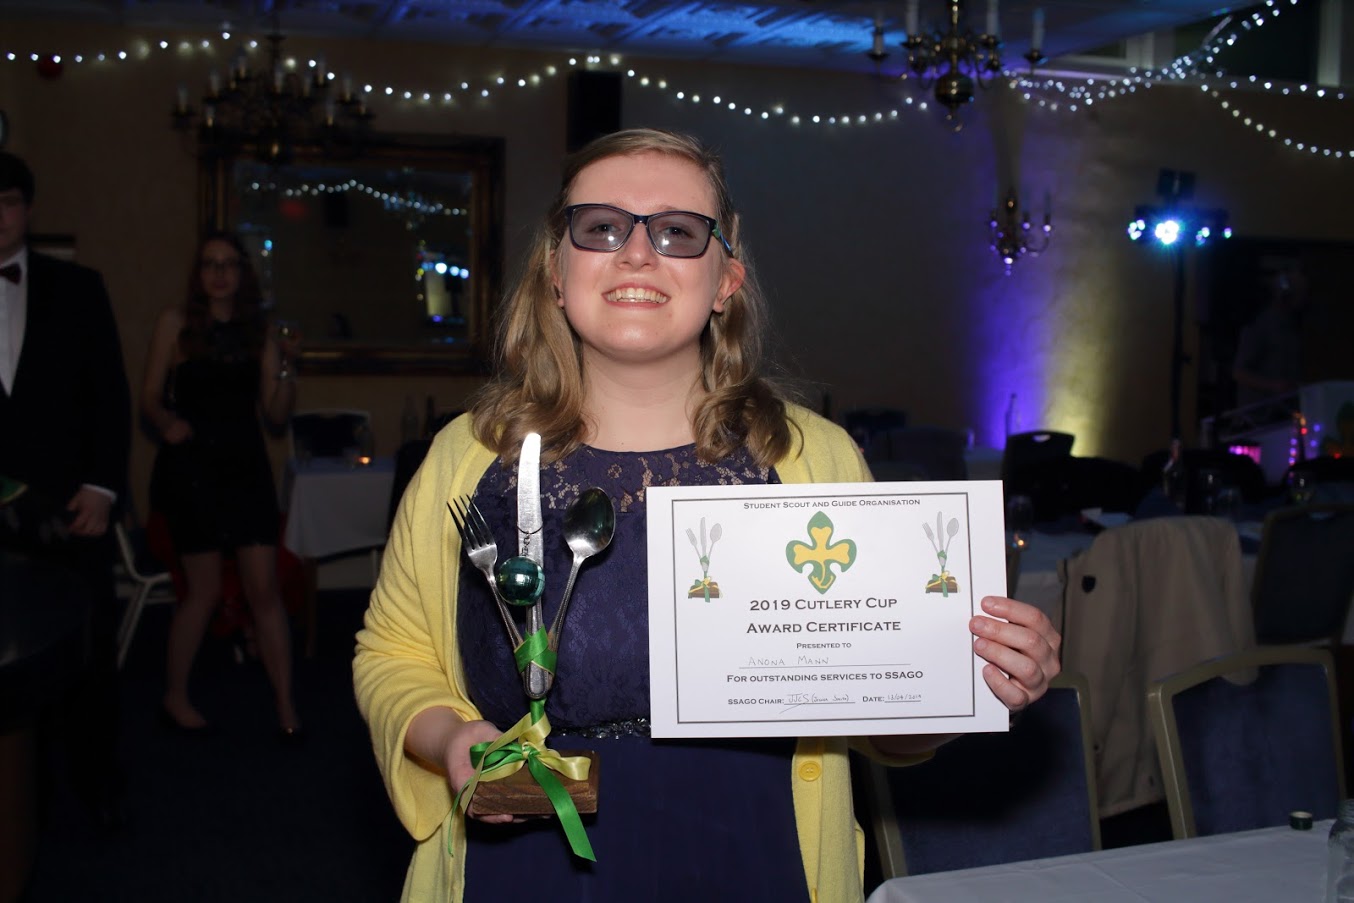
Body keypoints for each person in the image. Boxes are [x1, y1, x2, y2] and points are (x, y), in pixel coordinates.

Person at [353, 129, 1061, 903]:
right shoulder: (469, 458)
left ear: (727, 279)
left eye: (677, 232)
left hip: (755, 850)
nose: (636, 253)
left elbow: (877, 712)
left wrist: (968, 683)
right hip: (524, 854)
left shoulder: (812, 459)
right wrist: (450, 738)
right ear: (556, 270)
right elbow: (393, 653)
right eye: (601, 227)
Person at [0, 150, 132, 828]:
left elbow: (110, 395)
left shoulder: (78, 287)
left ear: (27, 209)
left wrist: (103, 489)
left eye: (7, 202)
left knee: (85, 652)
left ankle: (94, 787)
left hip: (69, 510)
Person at [140, 232, 302, 736]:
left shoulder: (260, 331)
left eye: (229, 264)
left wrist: (287, 365)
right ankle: (174, 695)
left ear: (242, 273)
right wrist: (166, 422)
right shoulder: (175, 323)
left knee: (264, 589)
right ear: (199, 272)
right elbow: (149, 398)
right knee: (203, 591)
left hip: (245, 468)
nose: (219, 273)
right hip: (193, 470)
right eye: (210, 264)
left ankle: (286, 706)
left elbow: (276, 415)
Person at [1231, 255, 1308, 411]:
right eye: (1301, 293)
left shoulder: (1292, 327)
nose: (1305, 299)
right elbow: (1239, 373)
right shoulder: (1260, 325)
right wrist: (1274, 386)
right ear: (1286, 294)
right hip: (1260, 416)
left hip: (1282, 412)